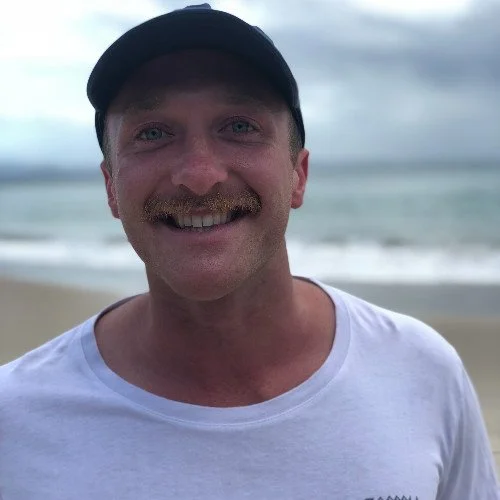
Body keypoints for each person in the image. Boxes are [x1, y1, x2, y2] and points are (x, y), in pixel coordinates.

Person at [1, 4, 498, 499]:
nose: (199, 176)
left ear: (298, 174)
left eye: (239, 127)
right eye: (152, 133)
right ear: (112, 187)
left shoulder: (421, 369)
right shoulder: (16, 419)